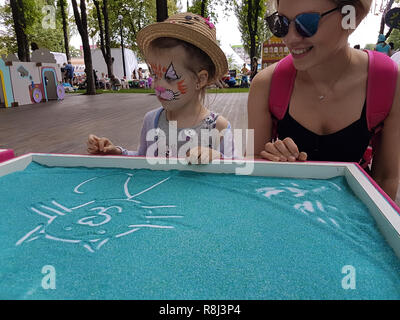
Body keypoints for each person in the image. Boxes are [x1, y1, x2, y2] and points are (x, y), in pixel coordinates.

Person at [248, 0, 400, 200]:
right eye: (281, 23)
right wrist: (273, 160)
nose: (290, 38)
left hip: (354, 218)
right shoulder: (265, 85)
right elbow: (252, 171)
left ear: (349, 17)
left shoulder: (388, 81)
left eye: (307, 23)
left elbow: (385, 178)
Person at [87, 13, 234, 163]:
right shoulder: (152, 121)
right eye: (155, 75)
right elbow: (143, 159)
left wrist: (218, 158)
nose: (159, 85)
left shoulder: (219, 127)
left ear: (200, 79)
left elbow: (237, 173)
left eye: (170, 77)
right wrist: (117, 152)